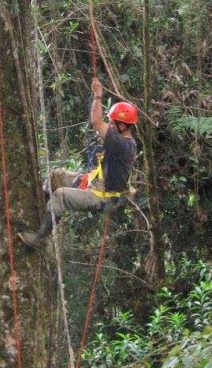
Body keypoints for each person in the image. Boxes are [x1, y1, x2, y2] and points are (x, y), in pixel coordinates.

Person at [19, 77, 138, 247]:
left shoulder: (123, 145)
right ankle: (43, 211)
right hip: (95, 183)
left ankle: (41, 238)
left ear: (124, 126)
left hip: (102, 198)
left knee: (61, 196)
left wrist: (98, 96)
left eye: (113, 122)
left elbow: (97, 122)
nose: (109, 124)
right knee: (56, 175)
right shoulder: (121, 139)